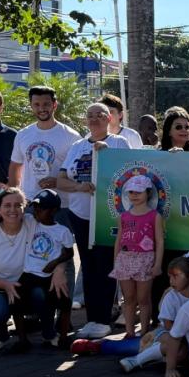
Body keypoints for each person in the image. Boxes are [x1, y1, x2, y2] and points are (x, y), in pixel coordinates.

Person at [57, 103, 131, 339]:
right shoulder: (77, 146)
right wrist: (79, 186)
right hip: (80, 215)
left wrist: (106, 154)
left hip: (108, 216)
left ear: (109, 118)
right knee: (88, 267)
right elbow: (61, 180)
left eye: (100, 115)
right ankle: (92, 319)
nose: (94, 119)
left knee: (105, 265)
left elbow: (129, 173)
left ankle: (104, 318)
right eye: (90, 116)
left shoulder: (119, 143)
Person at [0, 188, 50, 351]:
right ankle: (1, 332)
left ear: (24, 207)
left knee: (43, 295)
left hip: (27, 286)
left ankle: (48, 332)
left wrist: (60, 269)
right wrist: (5, 284)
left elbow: (59, 241)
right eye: (7, 205)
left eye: (18, 205)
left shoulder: (33, 223)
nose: (12, 210)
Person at [110, 174, 165, 337]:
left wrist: (157, 265)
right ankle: (129, 332)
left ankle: (144, 332)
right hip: (125, 259)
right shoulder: (123, 216)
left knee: (143, 298)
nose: (134, 195)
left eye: (139, 192)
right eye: (131, 192)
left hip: (145, 260)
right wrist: (116, 261)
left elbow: (159, 241)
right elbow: (119, 240)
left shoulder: (155, 216)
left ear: (148, 193)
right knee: (129, 298)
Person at [121, 254, 189, 373]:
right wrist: (187, 337)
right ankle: (136, 360)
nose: (171, 281)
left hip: (188, 335)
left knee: (184, 354)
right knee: (176, 347)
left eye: (176, 276)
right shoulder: (171, 297)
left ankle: (159, 356)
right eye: (170, 277)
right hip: (167, 332)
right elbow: (168, 325)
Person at [9, 86, 80, 204]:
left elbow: (78, 172)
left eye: (46, 104)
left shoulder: (71, 136)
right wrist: (14, 198)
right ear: (31, 106)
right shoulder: (22, 135)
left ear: (54, 105)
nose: (41, 108)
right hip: (29, 202)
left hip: (61, 204)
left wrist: (58, 181)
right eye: (36, 104)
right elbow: (15, 167)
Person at [21, 189, 75, 343]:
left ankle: (62, 336)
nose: (36, 211)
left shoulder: (62, 231)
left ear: (54, 210)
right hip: (29, 274)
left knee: (64, 300)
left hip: (49, 275)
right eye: (35, 207)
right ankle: (39, 333)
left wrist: (55, 263)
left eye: (41, 208)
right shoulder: (31, 222)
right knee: (37, 297)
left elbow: (69, 253)